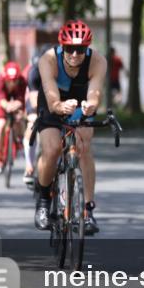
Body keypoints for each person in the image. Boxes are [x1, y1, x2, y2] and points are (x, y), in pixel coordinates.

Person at [32, 20, 108, 234]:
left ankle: (88, 211)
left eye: (81, 49)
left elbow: (95, 94)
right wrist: (58, 105)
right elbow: (50, 93)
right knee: (52, 148)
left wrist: (90, 106)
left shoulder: (98, 61)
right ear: (61, 47)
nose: (75, 54)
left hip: (80, 105)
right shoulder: (48, 59)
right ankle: (44, 202)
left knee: (84, 144)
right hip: (52, 102)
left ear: (88, 48)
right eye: (69, 49)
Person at [0, 61, 28, 175]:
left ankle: (19, 139)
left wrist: (17, 106)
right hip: (3, 100)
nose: (12, 83)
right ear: (5, 78)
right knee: (0, 124)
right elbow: (1, 99)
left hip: (17, 98)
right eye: (9, 81)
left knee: (19, 118)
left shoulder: (22, 81)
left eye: (14, 80)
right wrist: (7, 106)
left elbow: (21, 99)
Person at [22, 49, 45, 187]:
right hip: (35, 99)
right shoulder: (33, 73)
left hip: (53, 99)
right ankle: (29, 166)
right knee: (32, 124)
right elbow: (34, 101)